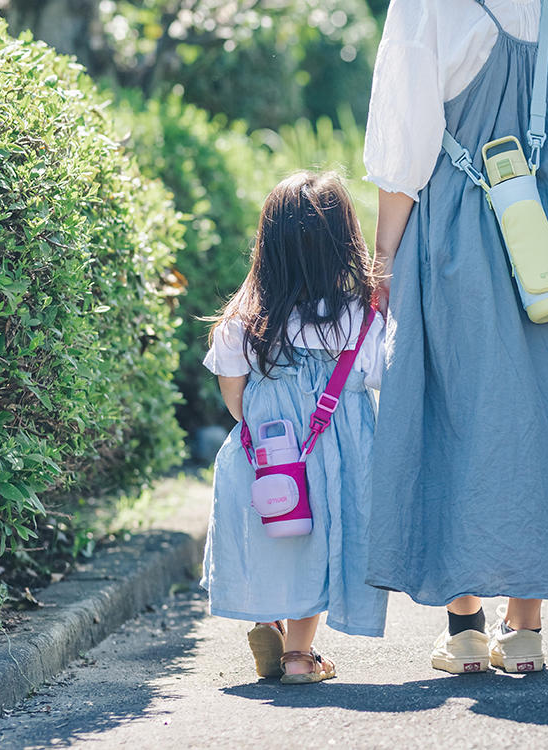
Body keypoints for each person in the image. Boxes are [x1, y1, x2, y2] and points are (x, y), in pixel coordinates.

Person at [363, 0, 548, 674]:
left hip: (462, 232)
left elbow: (404, 140)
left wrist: (384, 256)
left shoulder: (427, 9)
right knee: (546, 415)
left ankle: (464, 631)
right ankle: (523, 632)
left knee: (460, 416)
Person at [200, 171, 388, 684]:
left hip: (268, 457)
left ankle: (268, 621)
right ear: (343, 243)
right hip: (336, 457)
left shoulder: (242, 321)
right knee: (319, 541)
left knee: (274, 531)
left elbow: (236, 406)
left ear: (268, 245)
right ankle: (300, 655)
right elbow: (380, 376)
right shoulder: (359, 319)